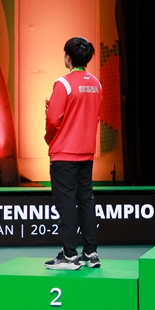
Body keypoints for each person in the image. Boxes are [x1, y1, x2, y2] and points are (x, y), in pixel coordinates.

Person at [43, 36, 103, 270]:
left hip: (64, 153)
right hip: (85, 153)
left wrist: (50, 139)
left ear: (68, 57)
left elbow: (53, 120)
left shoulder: (64, 84)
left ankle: (69, 256)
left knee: (66, 203)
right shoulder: (96, 84)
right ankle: (91, 252)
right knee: (86, 199)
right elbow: (94, 116)